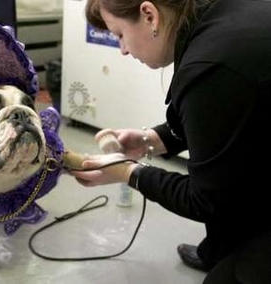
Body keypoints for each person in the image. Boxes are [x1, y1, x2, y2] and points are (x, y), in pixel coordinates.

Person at [70, 0, 271, 283]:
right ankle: (220, 250)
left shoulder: (210, 67)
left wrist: (129, 172)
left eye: (119, 35)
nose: (123, 50)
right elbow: (224, 124)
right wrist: (150, 140)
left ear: (149, 15)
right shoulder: (214, 17)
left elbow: (205, 200)